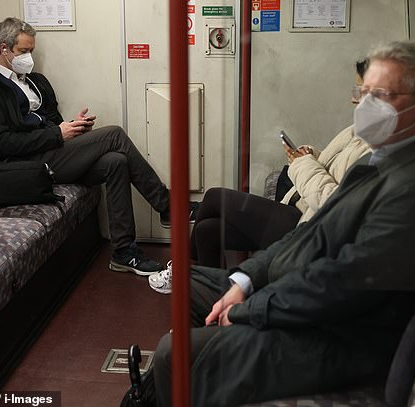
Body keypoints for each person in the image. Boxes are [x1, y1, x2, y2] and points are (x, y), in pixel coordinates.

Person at [151, 40, 415, 406]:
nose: (364, 106)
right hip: (302, 300)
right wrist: (245, 280)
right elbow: (306, 235)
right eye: (362, 93)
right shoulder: (380, 160)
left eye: (379, 96)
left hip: (334, 338)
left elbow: (342, 285)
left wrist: (250, 309)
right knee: (190, 288)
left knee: (173, 353)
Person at [0, 17, 197, 275]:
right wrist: (57, 135)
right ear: (4, 49)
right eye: (23, 51)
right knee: (114, 135)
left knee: (116, 162)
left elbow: (51, 123)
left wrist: (73, 127)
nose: (29, 57)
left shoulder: (34, 81)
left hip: (50, 153)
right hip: (24, 166)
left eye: (31, 50)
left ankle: (124, 252)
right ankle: (167, 206)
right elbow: (5, 143)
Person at [147, 61, 370, 293]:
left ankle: (183, 269)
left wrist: (302, 164)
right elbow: (333, 167)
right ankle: (215, 299)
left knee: (214, 196)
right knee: (207, 232)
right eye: (355, 91)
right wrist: (311, 155)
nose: (354, 100)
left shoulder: (377, 152)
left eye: (361, 92)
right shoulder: (356, 131)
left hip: (308, 226)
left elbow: (334, 203)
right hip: (297, 206)